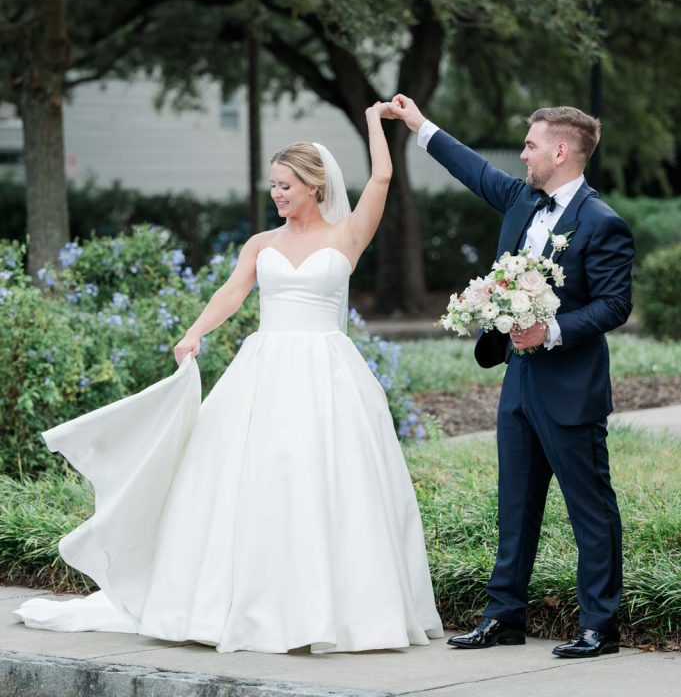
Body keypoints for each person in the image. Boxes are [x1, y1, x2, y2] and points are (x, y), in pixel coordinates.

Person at [15, 101, 443, 654]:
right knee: (251, 482)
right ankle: (243, 602)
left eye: (286, 185)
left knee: (326, 481)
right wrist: (195, 332)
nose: (277, 194)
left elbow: (382, 175)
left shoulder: (348, 236)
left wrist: (372, 120)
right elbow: (232, 293)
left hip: (328, 375)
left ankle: (333, 608)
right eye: (273, 186)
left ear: (315, 186)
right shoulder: (261, 245)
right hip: (262, 372)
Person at [389, 95, 633, 660]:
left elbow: (615, 306)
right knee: (515, 505)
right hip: (518, 382)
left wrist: (549, 330)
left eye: (530, 145)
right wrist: (418, 124)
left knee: (589, 508)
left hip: (571, 387)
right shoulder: (523, 200)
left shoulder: (603, 224)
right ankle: (503, 617)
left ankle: (600, 626)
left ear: (561, 150)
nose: (523, 154)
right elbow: (473, 169)